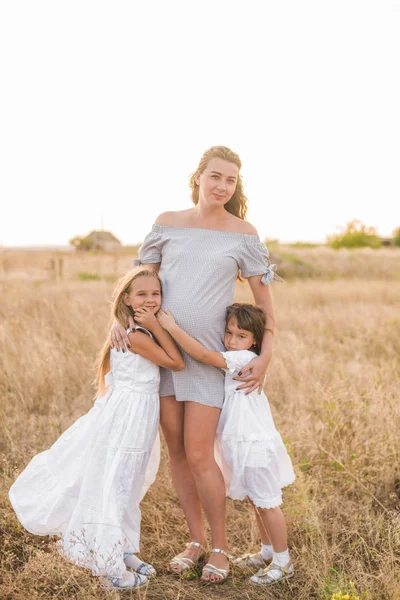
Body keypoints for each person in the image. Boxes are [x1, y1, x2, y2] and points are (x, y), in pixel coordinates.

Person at [111, 145, 281, 583]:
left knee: (203, 455)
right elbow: (138, 285)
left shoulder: (243, 233)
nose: (222, 186)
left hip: (207, 360)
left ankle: (220, 547)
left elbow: (265, 306)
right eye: (216, 177)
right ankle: (194, 541)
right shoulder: (167, 223)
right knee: (179, 454)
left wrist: (265, 357)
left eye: (230, 180)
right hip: (161, 355)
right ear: (198, 177)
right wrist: (119, 323)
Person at [9, 269, 184, 590]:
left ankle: (125, 547)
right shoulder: (136, 336)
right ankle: (108, 567)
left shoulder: (132, 329)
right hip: (127, 417)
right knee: (115, 484)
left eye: (155, 294)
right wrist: (160, 325)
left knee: (130, 483)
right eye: (141, 294)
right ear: (127, 300)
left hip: (139, 415)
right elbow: (176, 362)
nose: (150, 299)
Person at [157, 302, 295, 585]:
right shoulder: (243, 355)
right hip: (241, 440)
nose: (232, 341)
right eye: (229, 333)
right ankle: (267, 551)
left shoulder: (243, 358)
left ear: (254, 340)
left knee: (267, 503)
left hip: (252, 442)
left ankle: (283, 562)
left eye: (240, 335)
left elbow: (203, 354)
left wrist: (172, 327)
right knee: (255, 501)